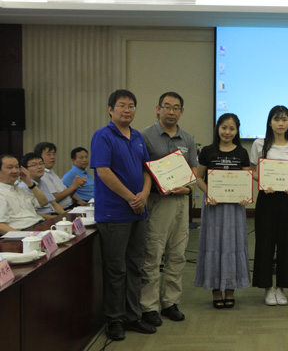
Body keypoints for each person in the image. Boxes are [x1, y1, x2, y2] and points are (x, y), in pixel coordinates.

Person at [90, 89, 155, 341]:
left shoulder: (137, 136)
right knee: (116, 269)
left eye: (131, 106)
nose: (127, 110)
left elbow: (146, 170)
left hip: (139, 212)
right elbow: (103, 172)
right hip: (114, 213)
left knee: (135, 266)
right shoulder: (103, 136)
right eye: (121, 105)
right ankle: (114, 319)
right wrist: (131, 198)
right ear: (110, 109)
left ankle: (133, 316)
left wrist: (144, 195)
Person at [139, 92, 199, 325]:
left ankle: (170, 303)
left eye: (176, 108)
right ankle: (148, 306)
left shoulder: (188, 138)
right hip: (158, 202)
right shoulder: (145, 136)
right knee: (153, 254)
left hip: (181, 203)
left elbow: (193, 171)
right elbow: (141, 170)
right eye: (167, 107)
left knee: (177, 253)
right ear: (158, 109)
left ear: (181, 111)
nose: (171, 111)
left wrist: (187, 188)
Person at [195, 113, 251, 309]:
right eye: (224, 127)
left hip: (235, 207)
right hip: (214, 205)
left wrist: (245, 195)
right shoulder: (207, 151)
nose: (227, 132)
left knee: (233, 245)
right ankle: (216, 289)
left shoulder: (242, 152)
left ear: (237, 131)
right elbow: (198, 177)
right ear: (218, 128)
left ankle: (230, 288)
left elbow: (246, 178)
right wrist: (209, 193)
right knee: (214, 243)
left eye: (232, 128)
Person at [250, 105, 288, 306]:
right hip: (267, 198)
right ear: (270, 122)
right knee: (265, 242)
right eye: (277, 119)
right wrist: (264, 182)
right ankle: (267, 287)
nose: (281, 123)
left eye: (284, 119)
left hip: (287, 199)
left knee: (286, 243)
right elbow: (252, 170)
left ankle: (281, 287)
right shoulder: (259, 144)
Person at [0, 154, 48, 234]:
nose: (15, 171)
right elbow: (1, 226)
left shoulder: (19, 189)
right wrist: (26, 236)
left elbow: (43, 202)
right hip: (24, 232)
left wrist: (30, 183)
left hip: (39, 225)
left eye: (17, 167)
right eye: (10, 167)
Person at [34, 142, 86, 209]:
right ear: (39, 157)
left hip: (71, 205)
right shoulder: (43, 175)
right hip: (62, 210)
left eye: (53, 154)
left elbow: (67, 194)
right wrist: (73, 186)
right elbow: (54, 198)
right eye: (48, 154)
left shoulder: (51, 172)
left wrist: (76, 186)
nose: (52, 157)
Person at [19, 153, 65, 218]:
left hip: (53, 215)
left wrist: (64, 214)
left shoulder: (42, 182)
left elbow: (53, 203)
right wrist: (56, 218)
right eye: (34, 165)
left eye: (41, 163)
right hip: (41, 219)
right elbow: (33, 213)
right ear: (24, 169)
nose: (39, 167)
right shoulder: (24, 187)